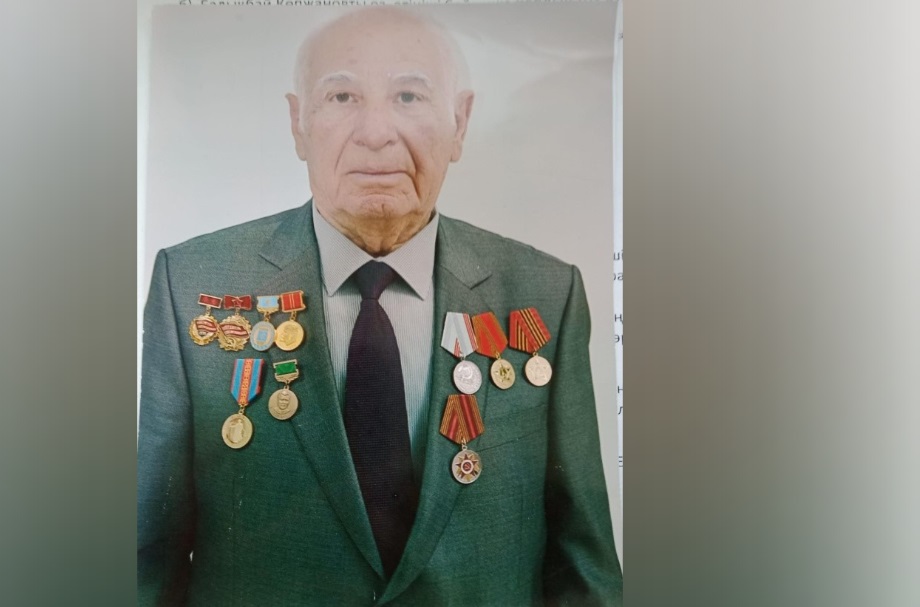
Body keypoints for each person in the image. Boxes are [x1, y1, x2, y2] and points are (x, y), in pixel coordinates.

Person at [138, 7, 622, 606]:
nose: (375, 133)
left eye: (409, 96)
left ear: (460, 121)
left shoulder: (543, 294)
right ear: (297, 122)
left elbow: (583, 566)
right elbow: (146, 566)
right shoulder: (192, 285)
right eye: (342, 96)